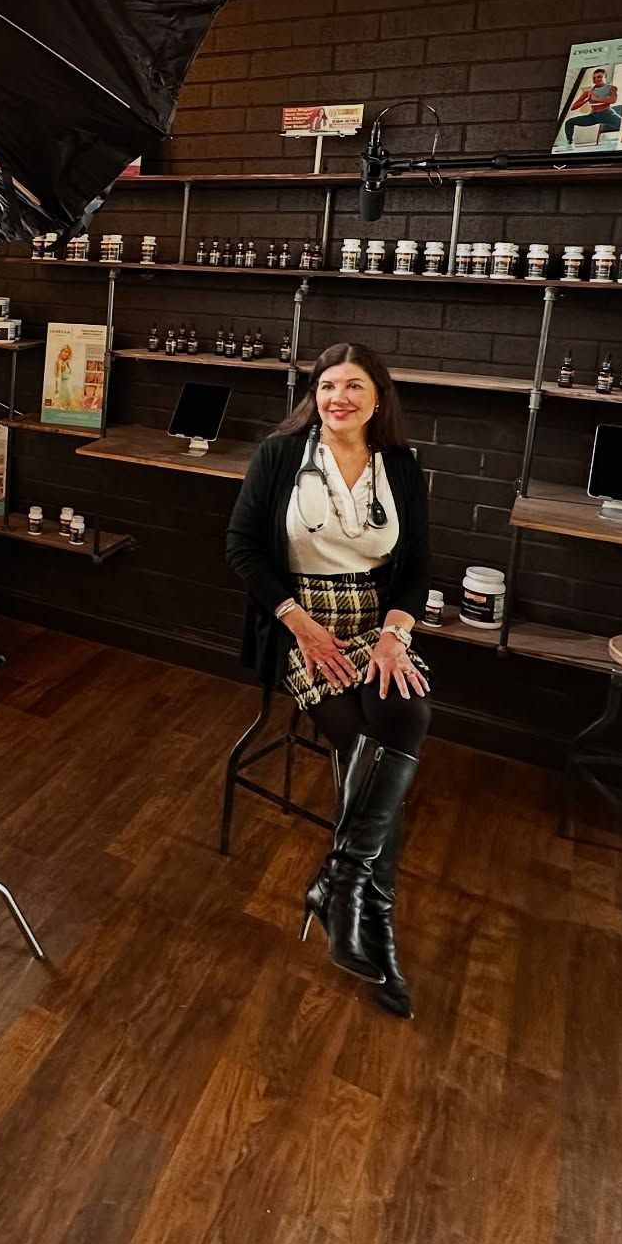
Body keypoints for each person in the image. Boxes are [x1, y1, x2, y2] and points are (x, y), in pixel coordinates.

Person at [225, 342, 431, 1019]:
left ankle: (344, 888)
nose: (339, 398)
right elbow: (242, 549)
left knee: (405, 713)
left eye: (355, 387)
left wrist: (395, 636)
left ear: (380, 398)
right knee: (367, 745)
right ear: (314, 394)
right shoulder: (280, 456)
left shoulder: (400, 466)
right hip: (299, 623)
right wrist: (301, 627)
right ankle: (371, 920)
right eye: (328, 386)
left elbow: (417, 567)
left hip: (375, 619)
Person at [563, 66, 622, 144]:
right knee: (569, 122)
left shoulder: (611, 88)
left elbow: (613, 100)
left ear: (605, 77)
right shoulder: (588, 92)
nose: (596, 79)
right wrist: (586, 100)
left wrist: (596, 98)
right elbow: (573, 107)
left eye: (599, 77)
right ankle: (569, 143)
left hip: (608, 114)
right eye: (594, 78)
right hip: (593, 116)